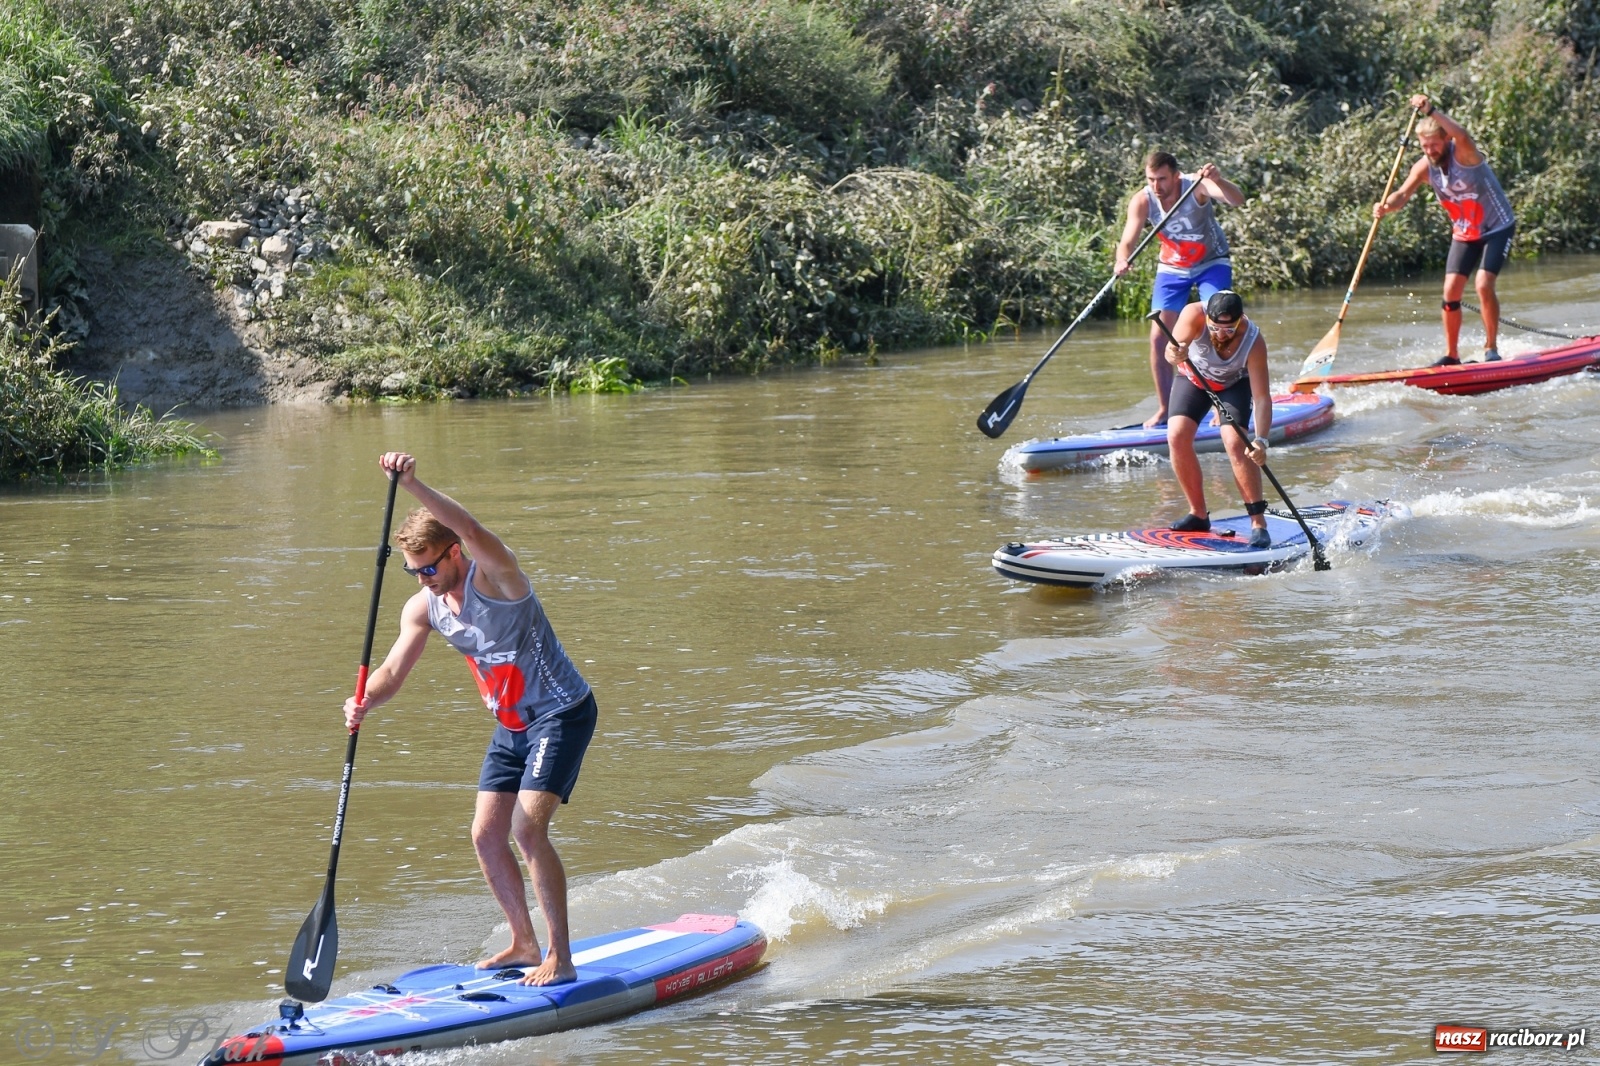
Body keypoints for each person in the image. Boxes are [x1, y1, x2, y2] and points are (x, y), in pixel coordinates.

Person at [344, 452, 597, 986]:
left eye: (430, 567)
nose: (423, 579)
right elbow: (391, 671)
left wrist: (412, 484)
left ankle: (561, 957)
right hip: (511, 726)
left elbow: (474, 528)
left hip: (561, 713)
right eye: (413, 571)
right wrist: (364, 699)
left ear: (455, 552)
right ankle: (524, 943)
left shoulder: (500, 578)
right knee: (485, 836)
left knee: (527, 830)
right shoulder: (424, 606)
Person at [1374, 93, 1516, 365]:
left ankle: (1491, 348)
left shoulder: (1465, 154)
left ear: (1446, 140)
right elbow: (1401, 195)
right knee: (1450, 292)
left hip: (1497, 227)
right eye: (1425, 146)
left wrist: (1431, 111)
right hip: (1465, 233)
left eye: (1435, 145)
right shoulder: (1424, 168)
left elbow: (1462, 133)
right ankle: (1452, 355)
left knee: (1483, 284)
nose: (1430, 151)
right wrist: (1385, 206)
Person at [1115, 151, 1245, 427]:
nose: (1156, 186)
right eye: (1151, 179)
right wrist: (1122, 259)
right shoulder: (1142, 200)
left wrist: (1219, 181)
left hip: (1212, 262)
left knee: (1217, 327)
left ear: (1176, 176)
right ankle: (1165, 408)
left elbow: (1237, 199)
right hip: (1172, 268)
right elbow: (1127, 240)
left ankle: (1221, 404)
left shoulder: (1196, 185)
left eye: (1162, 179)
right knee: (1158, 337)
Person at [1162, 290, 1273, 548]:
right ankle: (1198, 514)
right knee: (1176, 435)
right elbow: (1170, 351)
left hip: (1233, 385)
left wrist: (1261, 441)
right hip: (1194, 380)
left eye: (1229, 329)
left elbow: (1262, 398)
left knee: (1236, 443)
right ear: (1207, 318)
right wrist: (1174, 353)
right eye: (1215, 328)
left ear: (1240, 320)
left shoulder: (1254, 341)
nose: (1221, 335)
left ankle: (1258, 523)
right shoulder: (1193, 314)